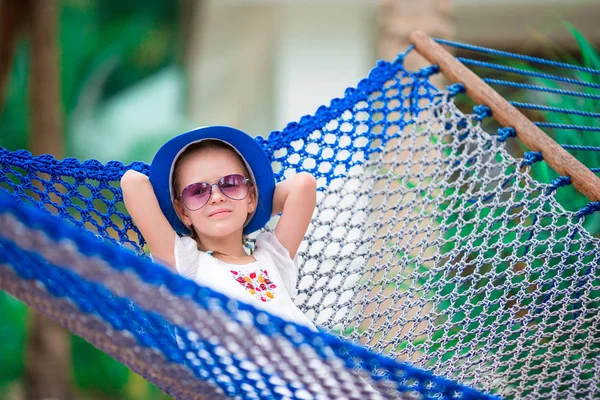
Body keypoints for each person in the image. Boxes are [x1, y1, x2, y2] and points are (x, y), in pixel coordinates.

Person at [120, 126, 317, 329]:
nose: (217, 197)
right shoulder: (187, 266)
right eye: (197, 191)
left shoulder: (274, 259)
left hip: (314, 358)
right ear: (183, 212)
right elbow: (132, 182)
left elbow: (303, 185)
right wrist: (242, 201)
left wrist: (251, 204)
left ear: (251, 197)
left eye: (230, 183)